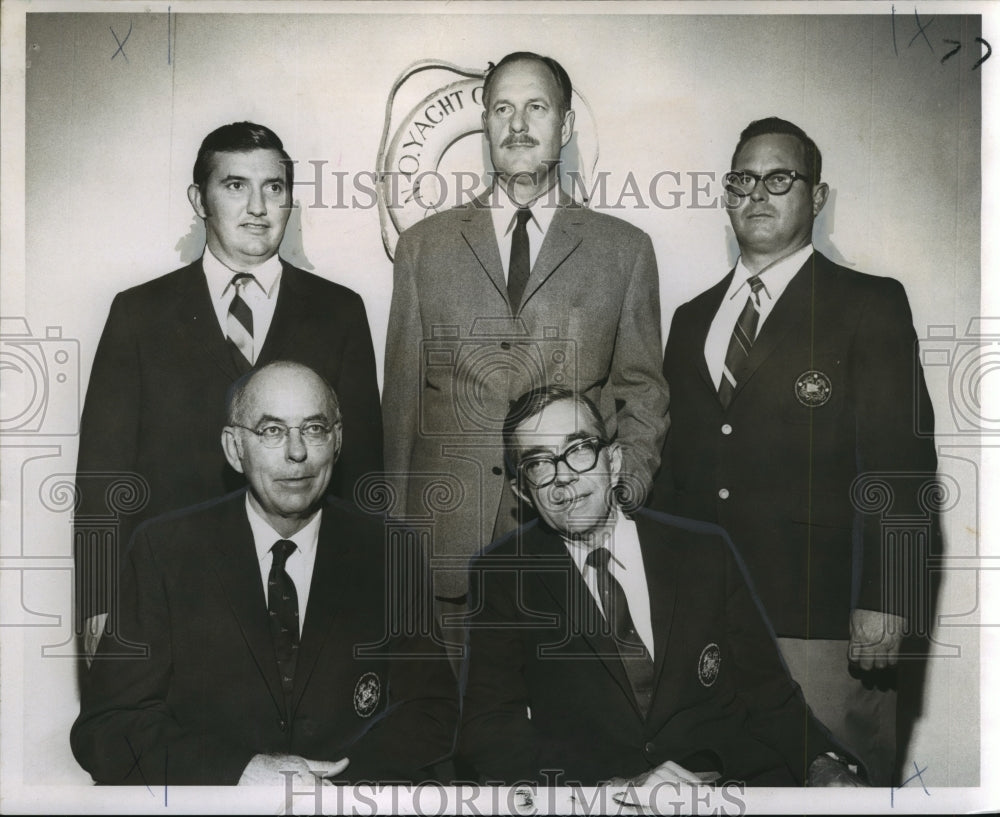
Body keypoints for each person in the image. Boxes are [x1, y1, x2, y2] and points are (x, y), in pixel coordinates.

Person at [651, 117, 939, 785]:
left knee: (831, 786)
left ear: (818, 195)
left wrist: (888, 595)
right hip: (705, 628)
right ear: (726, 196)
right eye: (742, 179)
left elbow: (901, 467)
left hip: (819, 619)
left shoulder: (868, 304)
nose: (758, 193)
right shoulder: (691, 318)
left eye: (779, 178)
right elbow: (676, 473)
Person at [383, 52, 669, 639]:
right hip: (446, 549)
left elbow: (642, 392)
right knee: (452, 722)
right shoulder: (422, 248)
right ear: (485, 124)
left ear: (564, 127)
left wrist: (618, 493)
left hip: (575, 542)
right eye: (502, 109)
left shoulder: (625, 251)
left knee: (565, 725)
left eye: (536, 107)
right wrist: (397, 538)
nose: (518, 124)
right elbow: (401, 407)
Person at [74, 122, 383, 659]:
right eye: (235, 186)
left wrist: (365, 594)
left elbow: (362, 470)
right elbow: (103, 474)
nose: (258, 207)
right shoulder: (139, 314)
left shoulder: (338, 312)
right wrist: (100, 603)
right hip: (170, 594)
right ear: (200, 199)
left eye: (275, 187)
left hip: (299, 591)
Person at [71, 361, 457, 785]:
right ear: (235, 448)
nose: (297, 452)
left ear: (338, 440)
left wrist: (332, 787)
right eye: (272, 431)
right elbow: (107, 727)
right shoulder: (164, 550)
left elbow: (432, 710)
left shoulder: (391, 551)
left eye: (314, 428)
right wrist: (241, 773)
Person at [459, 386, 863, 786]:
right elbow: (490, 729)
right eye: (539, 464)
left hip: (726, 786)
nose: (564, 477)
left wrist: (821, 763)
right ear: (522, 491)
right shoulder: (502, 575)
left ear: (614, 461)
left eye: (579, 449)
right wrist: (614, 787)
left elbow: (768, 692)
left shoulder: (704, 548)